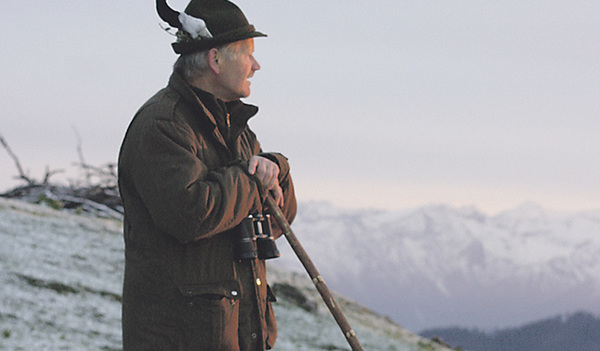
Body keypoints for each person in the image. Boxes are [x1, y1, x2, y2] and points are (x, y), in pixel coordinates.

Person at [117, 0, 297, 350]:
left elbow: (276, 223)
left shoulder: (239, 132)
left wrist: (277, 172)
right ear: (215, 60)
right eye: (248, 54)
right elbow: (190, 214)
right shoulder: (162, 126)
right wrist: (251, 179)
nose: (257, 66)